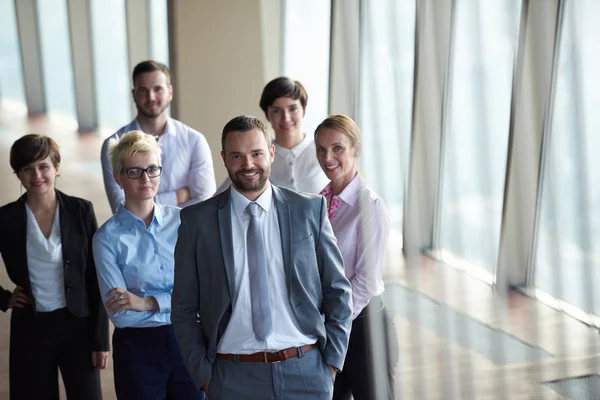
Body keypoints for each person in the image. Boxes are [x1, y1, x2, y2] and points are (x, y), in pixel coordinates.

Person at [172, 115, 352, 400]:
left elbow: (338, 290)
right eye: (236, 156)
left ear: (271, 152)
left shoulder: (309, 210)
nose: (248, 165)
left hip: (306, 372)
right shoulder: (197, 222)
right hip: (233, 377)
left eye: (256, 153)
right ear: (224, 158)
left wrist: (330, 365)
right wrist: (205, 378)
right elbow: (182, 308)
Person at [93, 130, 205, 400]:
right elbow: (120, 314)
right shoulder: (106, 238)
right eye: (135, 171)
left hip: (189, 341)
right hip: (137, 349)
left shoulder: (184, 222)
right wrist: (175, 302)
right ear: (118, 176)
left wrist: (146, 303)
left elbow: (201, 294)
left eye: (152, 169)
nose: (146, 179)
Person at [0, 134, 109, 399]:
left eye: (43, 166)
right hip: (31, 329)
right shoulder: (6, 218)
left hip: (78, 327)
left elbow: (96, 277)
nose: (36, 175)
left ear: (56, 168)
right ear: (18, 174)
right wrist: (4, 298)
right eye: (27, 168)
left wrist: (100, 341)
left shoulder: (81, 210)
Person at [314, 114, 399, 400]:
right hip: (330, 326)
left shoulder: (370, 207)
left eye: (337, 148)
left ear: (356, 150)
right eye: (321, 149)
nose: (328, 157)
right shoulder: (318, 203)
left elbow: (366, 280)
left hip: (364, 329)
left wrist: (334, 323)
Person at [101, 60, 216, 213]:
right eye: (143, 90)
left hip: (186, 234)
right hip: (136, 235)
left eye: (158, 89)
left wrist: (142, 202)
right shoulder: (114, 145)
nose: (151, 97)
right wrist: (178, 195)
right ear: (133, 94)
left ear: (170, 92)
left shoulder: (194, 141)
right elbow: (121, 208)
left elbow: (205, 202)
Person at [216, 77, 328, 194]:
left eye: (293, 109)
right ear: (268, 115)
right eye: (276, 110)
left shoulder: (323, 151)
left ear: (303, 110)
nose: (286, 118)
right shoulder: (260, 156)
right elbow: (217, 199)